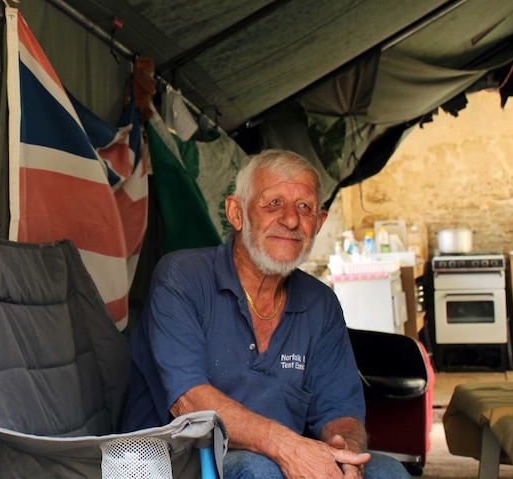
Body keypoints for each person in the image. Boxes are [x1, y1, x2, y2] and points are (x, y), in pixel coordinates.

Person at [124, 149, 411, 479]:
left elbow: (339, 409)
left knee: (388, 472)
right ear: (237, 213)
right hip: (176, 462)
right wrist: (290, 448)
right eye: (273, 203)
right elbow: (189, 402)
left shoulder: (320, 304)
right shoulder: (181, 277)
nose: (290, 219)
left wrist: (344, 453)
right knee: (259, 470)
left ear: (319, 223)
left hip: (276, 458)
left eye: (304, 207)